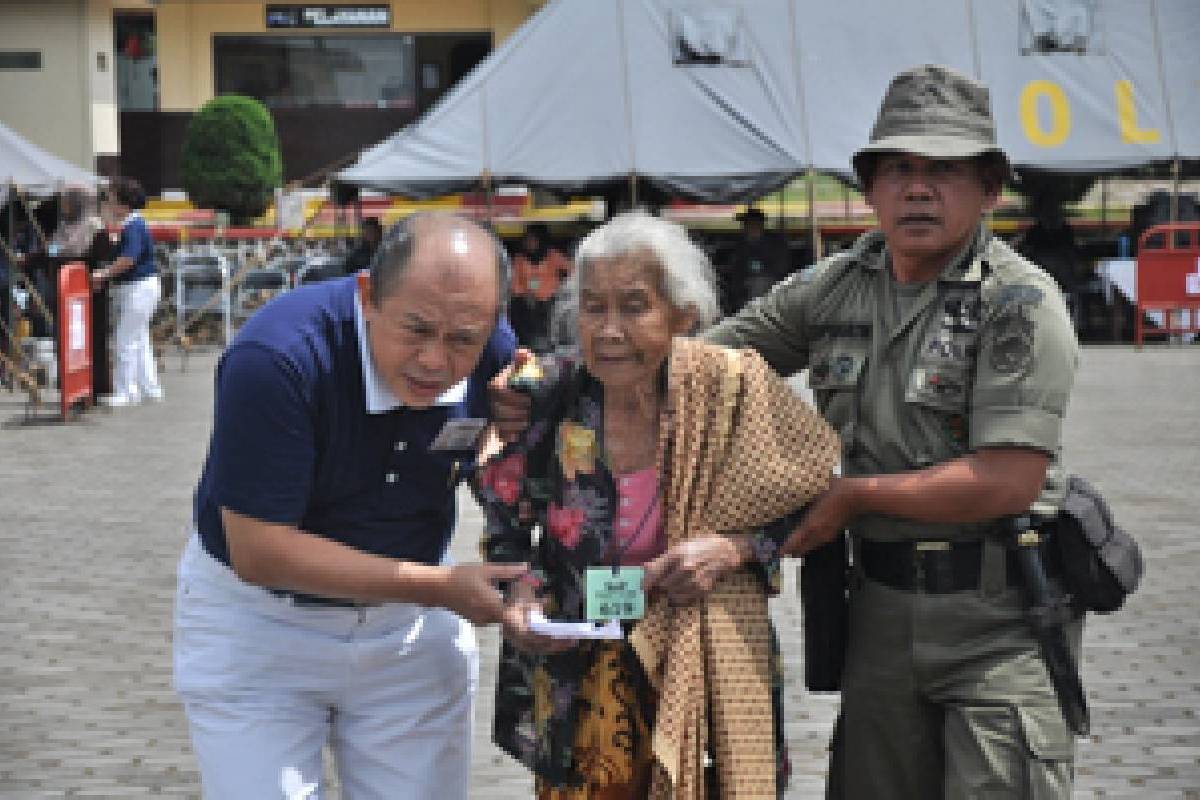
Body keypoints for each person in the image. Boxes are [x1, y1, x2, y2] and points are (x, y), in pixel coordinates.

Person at [705, 65, 1082, 798]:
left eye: (944, 169)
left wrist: (850, 498)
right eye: (900, 169)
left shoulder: (1019, 303)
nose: (918, 188)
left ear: (989, 188)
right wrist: (556, 381)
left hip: (999, 620)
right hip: (877, 613)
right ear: (871, 188)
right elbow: (704, 368)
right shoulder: (836, 285)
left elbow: (1010, 479)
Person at [475, 211, 839, 798]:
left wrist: (734, 548)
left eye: (634, 306)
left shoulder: (731, 391)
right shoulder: (548, 391)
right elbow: (502, 513)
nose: (609, 329)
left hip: (701, 651)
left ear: (683, 315)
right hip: (582, 656)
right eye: (593, 307)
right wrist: (520, 595)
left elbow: (813, 492)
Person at [173, 212, 529, 799]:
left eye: (465, 338)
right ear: (367, 295)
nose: (436, 361)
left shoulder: (492, 355)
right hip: (261, 630)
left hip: (406, 636)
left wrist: (509, 438)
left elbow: (490, 455)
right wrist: (443, 588)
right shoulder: (279, 358)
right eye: (416, 330)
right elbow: (260, 551)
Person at [91, 177, 162, 406]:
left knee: (125, 340)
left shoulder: (132, 227)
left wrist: (104, 274)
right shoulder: (133, 225)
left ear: (124, 204)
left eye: (112, 200)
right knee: (139, 338)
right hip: (142, 287)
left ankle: (126, 391)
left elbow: (128, 259)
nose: (109, 204)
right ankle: (149, 387)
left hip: (138, 287)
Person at [508, 222, 572, 352]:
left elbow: (572, 271)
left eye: (533, 240)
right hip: (528, 302)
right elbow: (515, 282)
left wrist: (562, 288)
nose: (530, 243)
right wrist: (523, 294)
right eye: (528, 240)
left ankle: (551, 341)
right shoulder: (519, 259)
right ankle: (527, 343)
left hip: (552, 299)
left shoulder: (553, 255)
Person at [718, 207, 791, 316]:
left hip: (769, 281)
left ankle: (756, 315)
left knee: (758, 283)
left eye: (748, 223)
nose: (745, 227)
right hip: (742, 281)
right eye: (745, 224)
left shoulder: (775, 243)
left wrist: (754, 272)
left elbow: (781, 267)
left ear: (758, 224)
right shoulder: (742, 243)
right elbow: (736, 263)